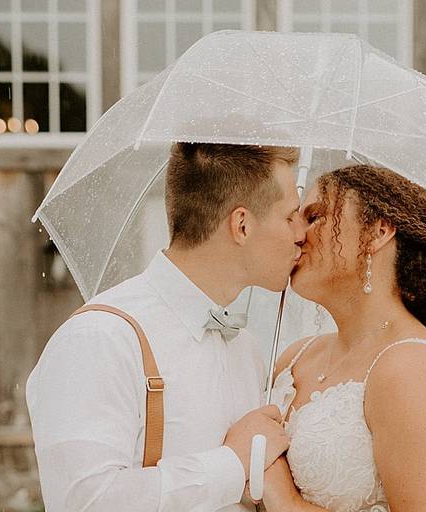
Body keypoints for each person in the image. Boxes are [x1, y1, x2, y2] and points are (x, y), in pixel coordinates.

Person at [26, 142, 308, 511]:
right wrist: (231, 463)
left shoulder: (246, 348)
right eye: (290, 216)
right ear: (241, 225)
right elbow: (84, 502)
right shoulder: (100, 338)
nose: (301, 232)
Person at [262, 164, 426, 512]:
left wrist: (287, 503)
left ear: (378, 232)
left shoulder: (411, 368)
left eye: (314, 217)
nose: (298, 234)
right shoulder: (296, 357)